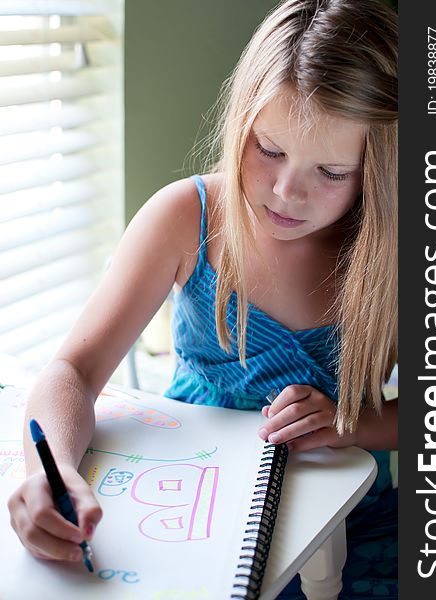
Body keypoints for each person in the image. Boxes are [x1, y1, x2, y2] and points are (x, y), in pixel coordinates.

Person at [8, 0, 398, 598]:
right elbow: (73, 372)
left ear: (375, 170)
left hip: (348, 521)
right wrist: (51, 470)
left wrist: (355, 424)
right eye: (269, 149)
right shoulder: (186, 216)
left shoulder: (398, 254)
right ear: (241, 120)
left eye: (331, 172)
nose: (287, 192)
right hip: (192, 508)